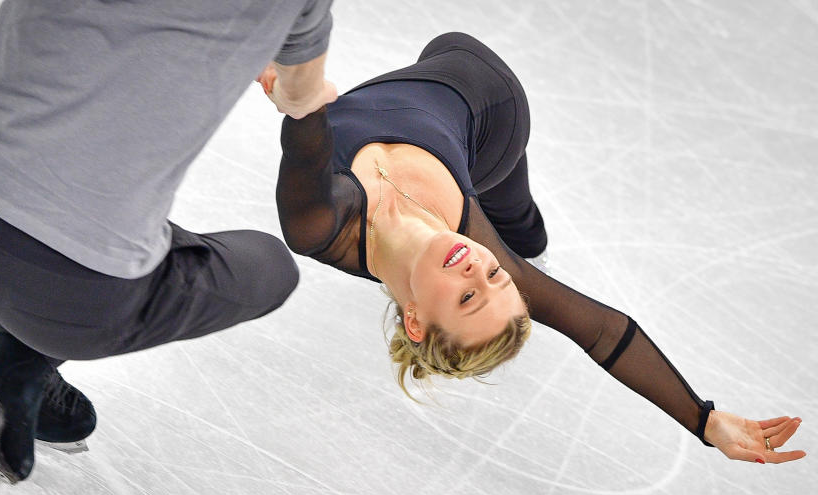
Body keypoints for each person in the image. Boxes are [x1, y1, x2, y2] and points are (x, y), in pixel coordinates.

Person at [266, 32, 806, 465]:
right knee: (519, 234)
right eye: (494, 279)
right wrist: (705, 419)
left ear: (414, 320)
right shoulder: (481, 249)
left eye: (466, 299)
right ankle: (527, 242)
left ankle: (521, 236)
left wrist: (295, 83)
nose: (476, 268)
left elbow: (305, 123)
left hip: (464, 105)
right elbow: (602, 329)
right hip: (496, 117)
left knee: (510, 225)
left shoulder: (320, 224)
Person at [0, 0, 338, 495]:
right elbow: (299, 95)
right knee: (270, 265)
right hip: (79, 296)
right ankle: (11, 367)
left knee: (85, 194)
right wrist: (303, 86)